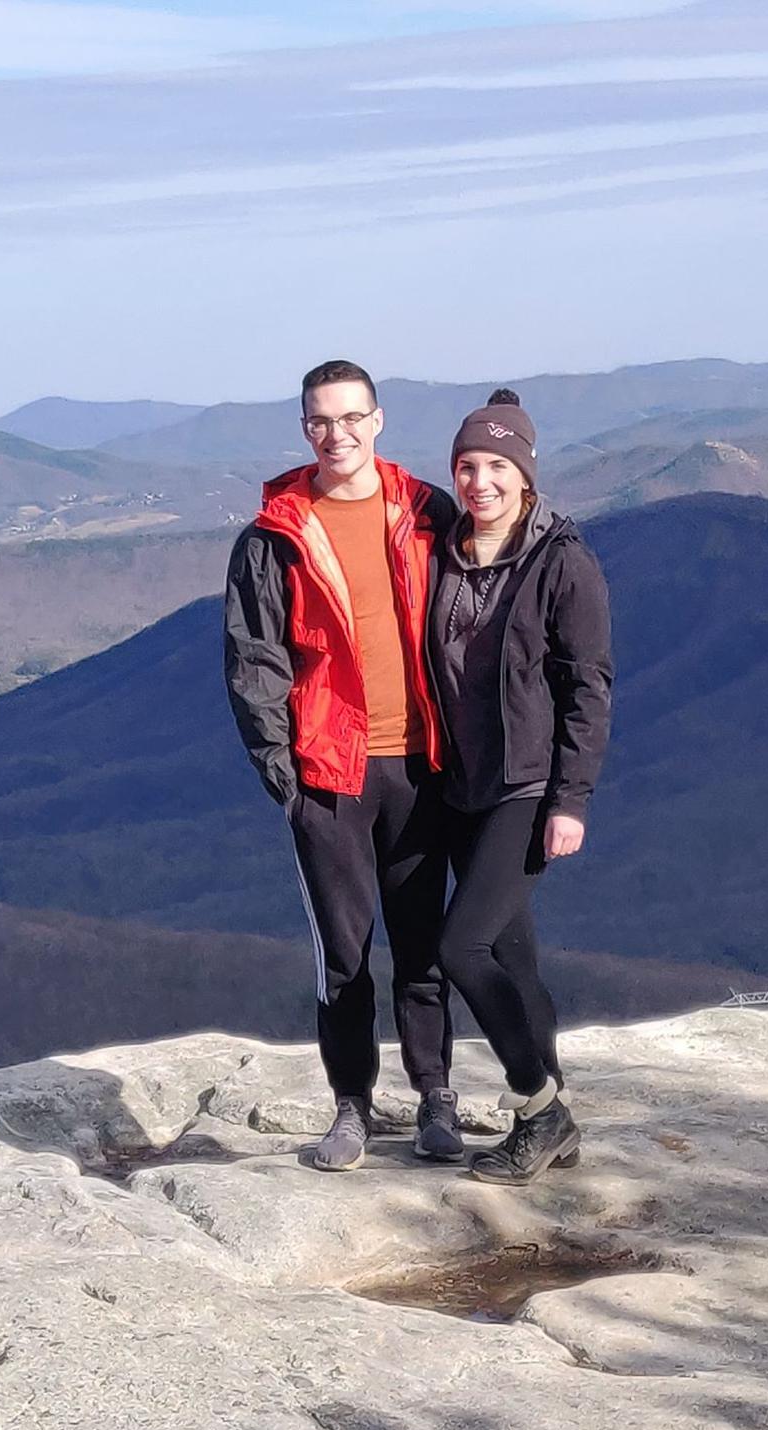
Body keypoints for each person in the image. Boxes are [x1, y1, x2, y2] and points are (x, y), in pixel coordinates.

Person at [223, 359, 463, 1172]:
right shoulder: (274, 535)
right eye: (322, 421)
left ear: (379, 420)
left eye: (351, 417)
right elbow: (254, 659)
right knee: (345, 953)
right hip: (329, 772)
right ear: (304, 429)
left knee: (423, 944)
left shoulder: (427, 511)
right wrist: (282, 773)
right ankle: (352, 1107)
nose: (338, 434)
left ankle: (436, 1099)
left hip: (422, 763)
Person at [427, 388, 613, 1186]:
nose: (481, 481)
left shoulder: (561, 561)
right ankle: (554, 1102)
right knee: (513, 954)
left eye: (498, 465)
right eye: (468, 465)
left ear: (526, 476)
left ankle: (538, 1107)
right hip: (459, 785)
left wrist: (571, 800)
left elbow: (589, 686)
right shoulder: (444, 550)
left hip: (526, 786)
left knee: (459, 946)